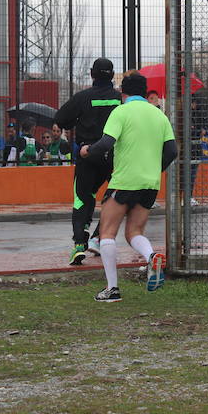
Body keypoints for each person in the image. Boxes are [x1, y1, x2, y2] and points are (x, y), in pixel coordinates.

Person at [80, 72, 177, 302]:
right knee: (134, 232)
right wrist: (155, 169)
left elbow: (106, 143)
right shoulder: (159, 115)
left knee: (107, 233)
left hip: (124, 181)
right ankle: (151, 255)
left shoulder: (121, 112)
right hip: (150, 183)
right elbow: (172, 151)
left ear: (123, 93)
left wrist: (87, 150)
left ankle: (112, 289)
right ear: (145, 93)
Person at [54, 58, 122, 265]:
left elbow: (61, 119)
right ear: (112, 75)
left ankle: (79, 245)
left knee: (82, 197)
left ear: (92, 74)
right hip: (114, 156)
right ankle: (98, 236)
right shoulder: (120, 99)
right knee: (115, 197)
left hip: (87, 154)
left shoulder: (82, 98)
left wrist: (77, 121)